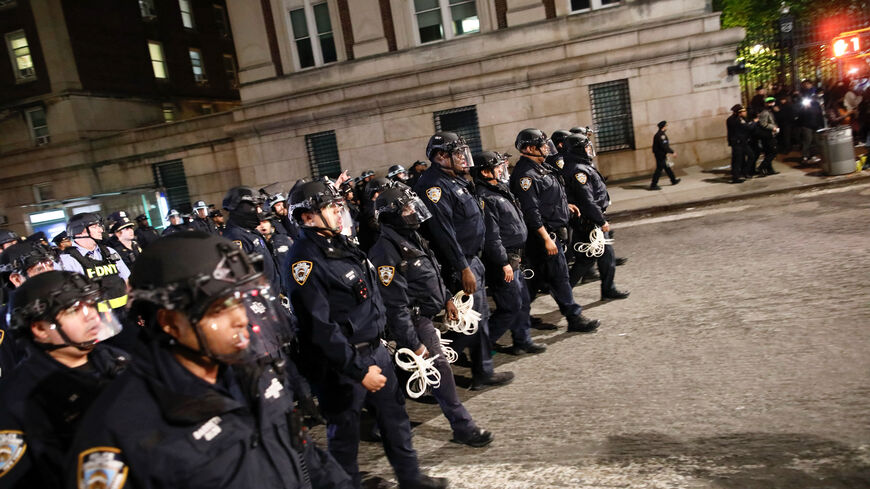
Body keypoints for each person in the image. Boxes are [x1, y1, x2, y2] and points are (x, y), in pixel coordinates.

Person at [65, 232, 352, 489]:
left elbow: (306, 457)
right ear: (170, 322)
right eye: (220, 308)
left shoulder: (255, 372)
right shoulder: (118, 430)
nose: (241, 319)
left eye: (241, 302)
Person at [286, 178, 448, 489]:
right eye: (329, 207)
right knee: (344, 435)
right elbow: (319, 327)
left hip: (374, 351)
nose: (337, 212)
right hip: (343, 365)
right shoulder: (303, 259)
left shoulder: (340, 244)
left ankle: (411, 479)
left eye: (337, 206)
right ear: (307, 217)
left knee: (395, 422)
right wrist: (359, 371)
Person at [368, 184, 494, 447]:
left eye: (412, 207)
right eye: (405, 209)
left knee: (396, 377)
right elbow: (395, 305)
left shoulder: (412, 236)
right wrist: (414, 343)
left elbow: (432, 271)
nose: (412, 212)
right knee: (440, 368)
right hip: (412, 320)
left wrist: (447, 297)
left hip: (425, 312)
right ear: (391, 215)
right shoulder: (385, 251)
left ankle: (383, 423)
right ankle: (463, 427)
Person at [0, 270, 127, 487]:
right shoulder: (16, 398)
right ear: (40, 328)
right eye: (73, 310)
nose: (91, 315)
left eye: (89, 304)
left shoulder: (116, 359)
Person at [414, 131, 514, 390]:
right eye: (456, 153)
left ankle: (482, 371)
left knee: (475, 319)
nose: (462, 158)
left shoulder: (454, 179)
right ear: (440, 157)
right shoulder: (433, 186)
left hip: (471, 259)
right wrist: (463, 267)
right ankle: (427, 372)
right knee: (466, 323)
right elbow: (443, 233)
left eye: (462, 152)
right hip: (460, 263)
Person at [509, 128, 600, 332]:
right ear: (530, 148)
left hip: (552, 232)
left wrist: (564, 206)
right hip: (544, 235)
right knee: (560, 277)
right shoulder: (526, 175)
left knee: (535, 283)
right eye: (541, 145)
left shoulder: (540, 168)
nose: (545, 148)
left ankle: (518, 318)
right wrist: (546, 238)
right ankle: (574, 317)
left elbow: (547, 198)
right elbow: (531, 211)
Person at [472, 151, 545, 355]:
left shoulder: (499, 189)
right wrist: (503, 262)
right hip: (503, 261)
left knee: (522, 302)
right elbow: (491, 237)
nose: (501, 169)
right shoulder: (485, 197)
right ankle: (483, 351)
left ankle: (522, 340)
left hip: (514, 257)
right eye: (496, 167)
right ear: (485, 172)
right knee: (510, 306)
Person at [561, 134, 630, 301]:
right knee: (586, 260)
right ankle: (564, 294)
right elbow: (586, 200)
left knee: (602, 256)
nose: (589, 150)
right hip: (589, 221)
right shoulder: (578, 170)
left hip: (590, 219)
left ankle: (608, 289)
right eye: (586, 147)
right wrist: (601, 220)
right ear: (578, 149)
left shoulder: (581, 166)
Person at [0, 240, 57, 380]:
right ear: (16, 279)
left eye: (49, 265)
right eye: (39, 269)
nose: (49, 273)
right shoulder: (5, 321)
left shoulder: (61, 303)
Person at [57, 213, 130, 314]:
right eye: (95, 227)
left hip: (125, 312)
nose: (100, 230)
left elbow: (127, 280)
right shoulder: (68, 260)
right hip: (98, 318)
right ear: (80, 231)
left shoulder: (109, 251)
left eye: (99, 226)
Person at [222, 187, 282, 294]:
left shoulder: (248, 231)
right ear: (242, 208)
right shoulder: (236, 237)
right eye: (256, 206)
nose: (259, 210)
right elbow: (243, 280)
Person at [649, 121, 680, 190]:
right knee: (659, 169)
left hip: (660, 154)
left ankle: (673, 180)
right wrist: (672, 152)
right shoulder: (661, 135)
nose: (667, 127)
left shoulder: (659, 134)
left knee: (667, 167)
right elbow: (664, 146)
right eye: (666, 126)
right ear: (663, 127)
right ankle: (653, 185)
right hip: (660, 155)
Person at [798, 91, 825, 165]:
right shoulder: (804, 106)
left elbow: (820, 115)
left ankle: (817, 155)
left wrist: (822, 126)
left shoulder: (817, 105)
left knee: (817, 141)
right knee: (807, 140)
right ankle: (805, 156)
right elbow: (801, 116)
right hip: (807, 125)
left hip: (816, 125)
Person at [726, 104, 751, 183]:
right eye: (743, 111)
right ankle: (735, 177)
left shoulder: (738, 118)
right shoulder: (735, 120)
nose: (745, 112)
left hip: (741, 142)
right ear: (739, 112)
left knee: (749, 156)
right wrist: (753, 123)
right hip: (738, 142)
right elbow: (745, 127)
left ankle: (744, 172)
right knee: (737, 160)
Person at [756, 97, 781, 176]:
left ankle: (770, 169)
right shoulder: (765, 112)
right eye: (770, 103)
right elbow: (763, 123)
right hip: (767, 135)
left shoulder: (770, 111)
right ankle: (761, 167)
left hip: (770, 134)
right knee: (773, 152)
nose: (772, 104)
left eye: (772, 102)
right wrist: (773, 128)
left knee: (768, 153)